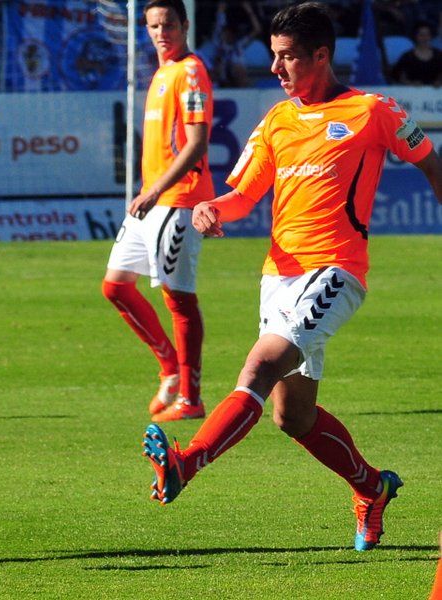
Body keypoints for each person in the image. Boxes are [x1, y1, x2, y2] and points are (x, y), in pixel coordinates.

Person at [143, 2, 442, 551]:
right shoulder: (277, 120)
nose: (276, 70)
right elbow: (243, 195)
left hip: (337, 271)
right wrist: (212, 209)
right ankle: (372, 487)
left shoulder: (372, 110)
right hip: (278, 277)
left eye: (288, 59)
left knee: (258, 365)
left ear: (322, 56)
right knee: (292, 414)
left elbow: (429, 159)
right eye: (274, 58)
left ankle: (186, 462)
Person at [102, 0, 213, 423]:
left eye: (168, 24)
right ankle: (168, 368)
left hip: (177, 202)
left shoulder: (190, 72)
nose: (161, 31)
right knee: (115, 286)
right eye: (153, 25)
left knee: (178, 298)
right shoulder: (162, 73)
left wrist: (155, 191)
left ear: (184, 26)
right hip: (152, 201)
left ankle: (191, 397)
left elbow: (197, 142)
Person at [391, 21, 442, 86]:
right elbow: (396, 76)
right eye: (421, 35)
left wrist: (439, 82)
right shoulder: (407, 56)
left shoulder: (439, 55)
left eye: (427, 35)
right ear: (415, 36)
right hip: (413, 94)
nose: (425, 38)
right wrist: (410, 84)